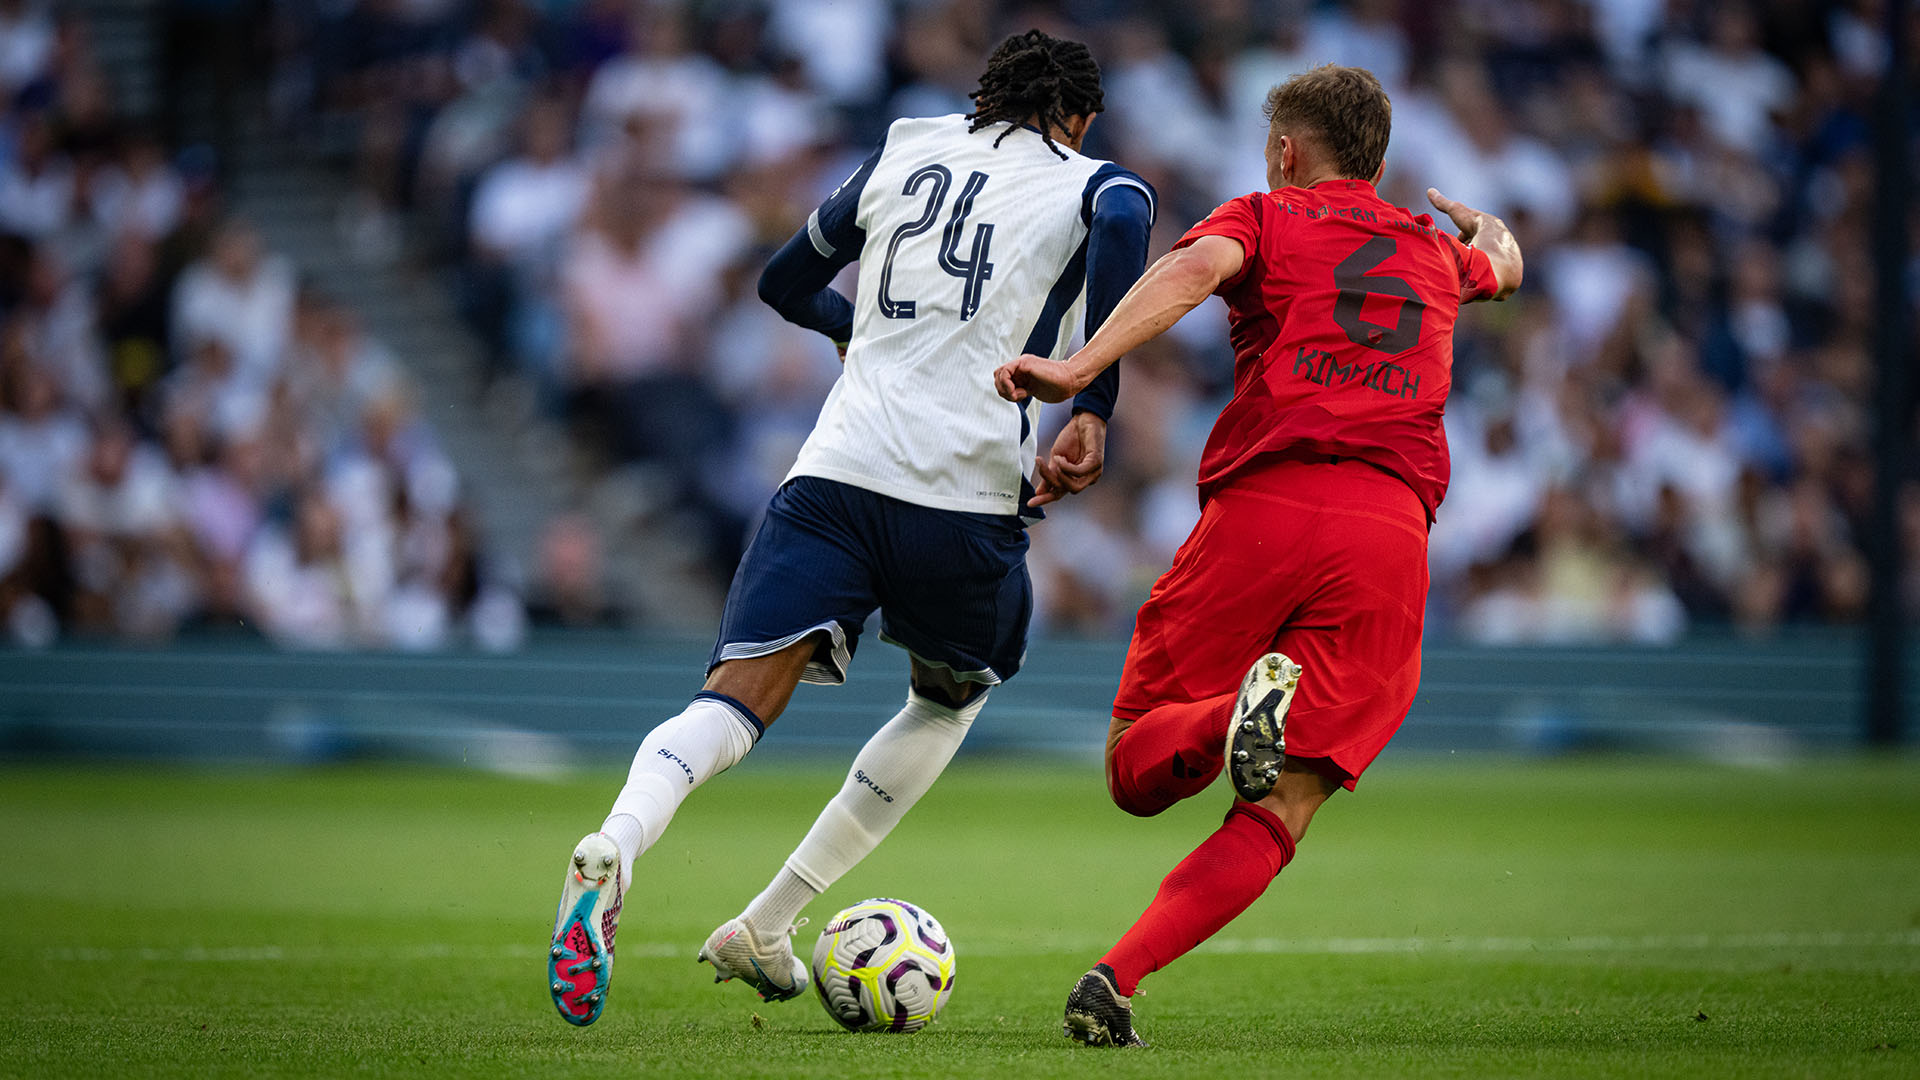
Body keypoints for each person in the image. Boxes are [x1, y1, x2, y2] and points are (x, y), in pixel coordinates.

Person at [545, 29, 1157, 1027]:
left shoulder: (905, 145)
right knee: (951, 699)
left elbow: (782, 284)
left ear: (981, 99)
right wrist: (1092, 410)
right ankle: (770, 918)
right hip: (962, 495)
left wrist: (859, 336)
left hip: (832, 474)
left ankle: (615, 840)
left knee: (733, 705)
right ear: (1079, 118)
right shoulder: (1101, 185)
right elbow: (1127, 247)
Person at [993, 64, 1523, 1047]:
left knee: (1134, 767)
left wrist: (1077, 369)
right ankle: (1120, 974)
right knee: (1288, 801)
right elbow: (1506, 263)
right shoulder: (1432, 254)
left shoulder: (1266, 217)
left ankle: (1221, 718)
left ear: (1286, 150)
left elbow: (1192, 271)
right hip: (1389, 536)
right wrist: (1482, 227)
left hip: (1266, 509)